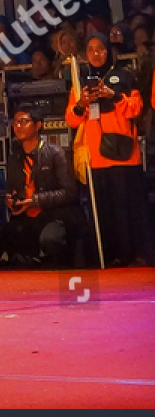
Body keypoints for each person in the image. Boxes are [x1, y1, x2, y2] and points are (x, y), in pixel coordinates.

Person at [66, 33, 149, 266]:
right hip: (96, 157)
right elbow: (71, 120)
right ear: (85, 55)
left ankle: (133, 256)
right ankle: (108, 256)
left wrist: (114, 96)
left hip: (124, 155)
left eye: (100, 49)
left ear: (108, 51)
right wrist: (82, 103)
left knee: (127, 211)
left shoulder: (124, 76)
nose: (96, 54)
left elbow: (136, 109)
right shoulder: (80, 81)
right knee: (103, 211)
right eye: (91, 50)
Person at [0, 107, 83, 267]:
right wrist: (10, 200)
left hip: (53, 216)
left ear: (38, 125)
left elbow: (69, 192)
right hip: (25, 217)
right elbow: (11, 189)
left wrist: (35, 201)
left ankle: (57, 264)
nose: (18, 126)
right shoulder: (14, 157)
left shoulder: (55, 153)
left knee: (50, 240)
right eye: (15, 123)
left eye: (24, 122)